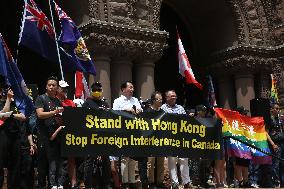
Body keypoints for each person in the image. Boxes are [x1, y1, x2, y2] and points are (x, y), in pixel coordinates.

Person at [35, 76, 64, 189]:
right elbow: (40, 115)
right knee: (42, 164)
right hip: (43, 136)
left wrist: (59, 117)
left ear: (57, 88)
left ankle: (53, 185)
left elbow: (58, 118)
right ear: (46, 87)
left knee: (54, 163)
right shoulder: (41, 98)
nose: (51, 87)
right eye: (49, 85)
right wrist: (54, 112)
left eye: (54, 85)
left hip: (55, 136)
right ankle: (41, 185)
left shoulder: (57, 101)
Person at [112, 81, 143, 189]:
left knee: (133, 158)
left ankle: (132, 180)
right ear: (123, 89)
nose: (132, 89)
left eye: (133, 87)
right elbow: (114, 114)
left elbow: (141, 110)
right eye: (130, 87)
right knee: (125, 157)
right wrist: (125, 110)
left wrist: (139, 110)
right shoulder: (117, 101)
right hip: (123, 132)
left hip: (135, 132)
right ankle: (125, 182)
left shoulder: (135, 100)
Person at [82, 81, 112, 189]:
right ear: (91, 91)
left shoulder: (105, 104)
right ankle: (88, 185)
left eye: (98, 90)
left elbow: (111, 119)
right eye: (94, 90)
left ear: (102, 91)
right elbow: (82, 119)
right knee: (89, 161)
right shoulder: (87, 103)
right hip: (91, 137)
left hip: (103, 137)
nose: (96, 92)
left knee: (106, 162)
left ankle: (106, 183)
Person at [161, 90, 192, 189]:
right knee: (172, 161)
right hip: (169, 138)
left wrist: (189, 117)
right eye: (172, 96)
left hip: (181, 137)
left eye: (175, 96)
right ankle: (174, 183)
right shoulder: (163, 108)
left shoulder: (180, 108)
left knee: (184, 160)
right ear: (166, 98)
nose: (174, 97)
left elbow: (185, 121)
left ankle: (186, 182)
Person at [0, 84, 27, 189]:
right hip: (3, 135)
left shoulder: (17, 103)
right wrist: (8, 99)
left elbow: (23, 116)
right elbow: (3, 115)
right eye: (5, 90)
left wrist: (11, 115)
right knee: (0, 162)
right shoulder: (2, 102)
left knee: (15, 163)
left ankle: (13, 186)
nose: (7, 92)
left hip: (15, 135)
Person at [145, 91, 166, 188]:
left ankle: (160, 181)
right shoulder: (148, 111)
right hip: (150, 141)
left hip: (160, 141)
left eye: (161, 99)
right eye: (158, 99)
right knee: (151, 162)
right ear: (153, 100)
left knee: (160, 163)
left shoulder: (163, 112)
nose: (161, 101)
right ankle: (151, 182)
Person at [268, 103, 284, 187]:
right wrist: (273, 144)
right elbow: (266, 133)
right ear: (272, 109)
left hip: (282, 144)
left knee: (282, 164)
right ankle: (275, 182)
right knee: (276, 164)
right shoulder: (270, 119)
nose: (278, 110)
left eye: (279, 109)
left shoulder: (280, 120)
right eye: (276, 108)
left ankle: (282, 182)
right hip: (275, 144)